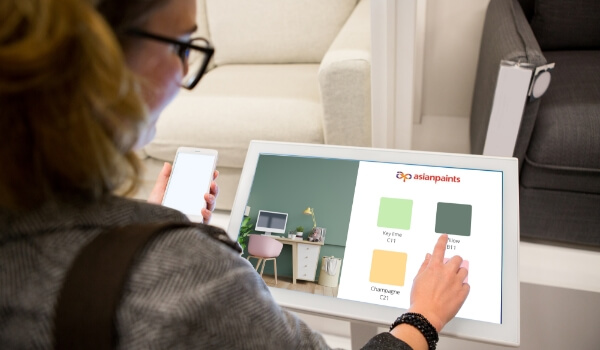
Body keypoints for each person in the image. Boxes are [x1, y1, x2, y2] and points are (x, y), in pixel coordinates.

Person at [0, 0, 470, 349]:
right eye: (181, 46)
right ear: (98, 61)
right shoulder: (196, 278)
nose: (188, 70)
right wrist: (423, 317)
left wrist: (138, 234)